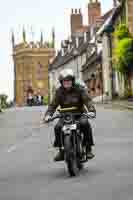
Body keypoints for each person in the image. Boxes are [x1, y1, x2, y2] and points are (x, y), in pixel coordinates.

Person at [44, 69, 96, 161]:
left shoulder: (79, 89)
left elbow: (87, 100)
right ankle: (61, 151)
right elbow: (53, 105)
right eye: (64, 81)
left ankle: (88, 149)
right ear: (61, 82)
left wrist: (91, 111)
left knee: (85, 124)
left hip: (79, 113)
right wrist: (48, 115)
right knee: (58, 127)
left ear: (72, 80)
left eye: (69, 80)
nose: (67, 82)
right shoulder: (59, 92)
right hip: (65, 115)